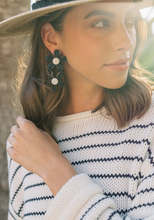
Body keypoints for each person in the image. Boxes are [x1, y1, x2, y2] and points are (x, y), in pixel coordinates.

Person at [0, 0, 154, 219]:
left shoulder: (149, 127)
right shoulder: (25, 144)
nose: (126, 41)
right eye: (101, 23)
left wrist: (55, 171)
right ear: (51, 38)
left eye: (130, 20)